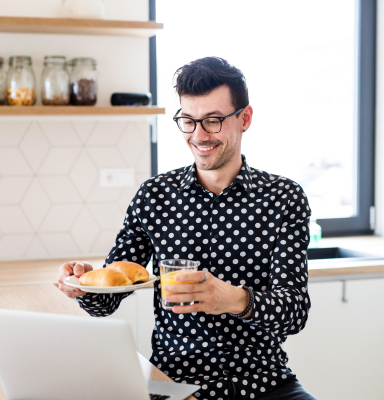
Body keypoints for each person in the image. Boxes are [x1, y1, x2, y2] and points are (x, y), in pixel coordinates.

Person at [57, 56, 317, 400]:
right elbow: (108, 298)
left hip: (265, 382)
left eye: (212, 121)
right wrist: (84, 284)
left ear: (245, 118)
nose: (199, 136)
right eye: (188, 121)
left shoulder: (283, 198)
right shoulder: (155, 195)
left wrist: (234, 299)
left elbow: (294, 312)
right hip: (174, 384)